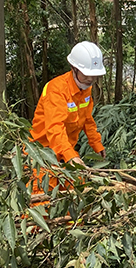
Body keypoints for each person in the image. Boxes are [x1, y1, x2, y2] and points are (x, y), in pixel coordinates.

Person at [30, 41, 107, 198]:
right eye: (87, 74)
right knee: (42, 198)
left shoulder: (86, 89)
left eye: (94, 75)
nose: (91, 79)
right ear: (74, 68)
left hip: (66, 153)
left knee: (76, 192)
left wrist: (96, 143)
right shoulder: (56, 90)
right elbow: (54, 128)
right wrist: (71, 156)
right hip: (42, 155)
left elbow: (87, 119)